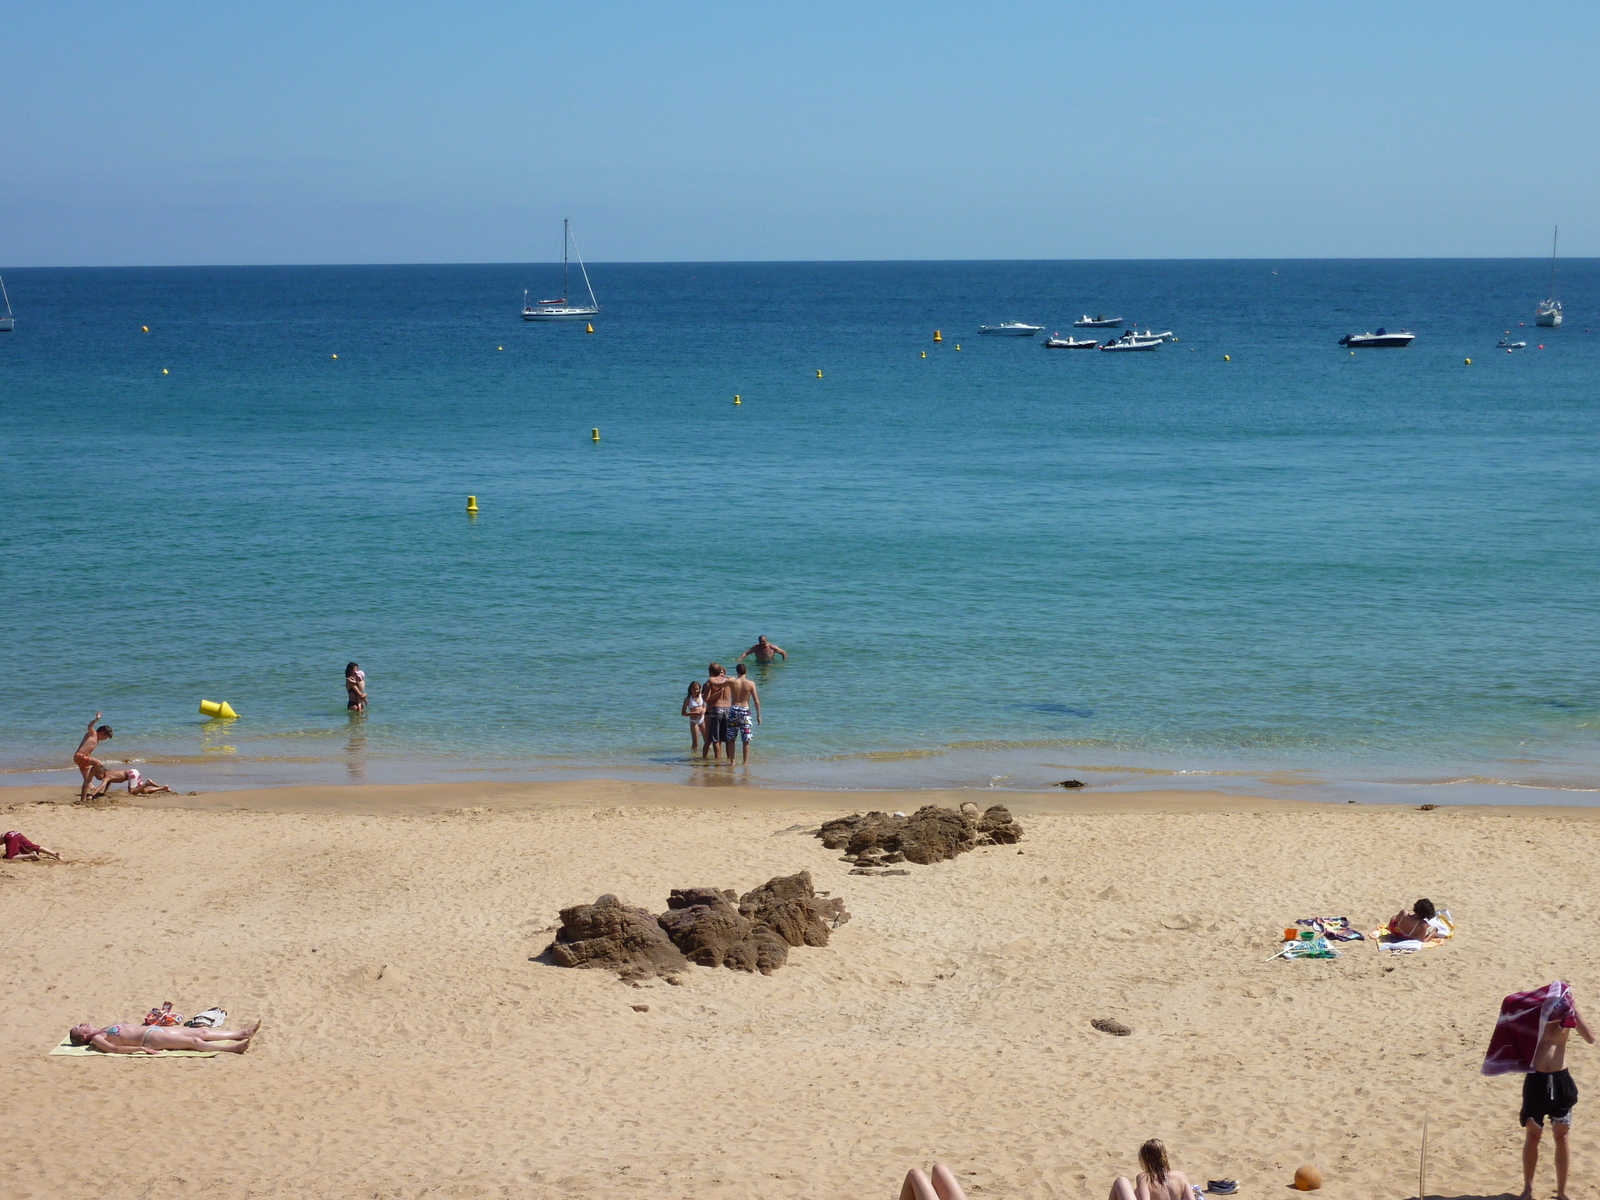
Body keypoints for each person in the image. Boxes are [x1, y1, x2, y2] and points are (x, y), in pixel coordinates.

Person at [1520, 986, 1594, 1200]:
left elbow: (1590, 1038)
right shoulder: (1537, 1017)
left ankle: (1562, 1191)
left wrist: (1575, 1009)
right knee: (1533, 1135)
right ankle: (1528, 1188)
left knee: (1561, 1137)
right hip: (1536, 1081)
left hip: (1561, 1080)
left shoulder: (1569, 1017)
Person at [69, 1018, 260, 1055]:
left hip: (155, 1030)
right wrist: (141, 1048)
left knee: (202, 1031)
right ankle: (233, 1048)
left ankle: (242, 1033)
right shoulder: (96, 1039)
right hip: (149, 1039)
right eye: (80, 1027)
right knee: (194, 1042)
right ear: (84, 1037)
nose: (83, 1023)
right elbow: (114, 1049)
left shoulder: (102, 1029)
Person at [1109, 1139, 1194, 1200]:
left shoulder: (1144, 1178)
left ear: (1144, 1159)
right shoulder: (1181, 1176)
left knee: (1121, 1181)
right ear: (1165, 1156)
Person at [73, 712, 113, 803]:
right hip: (79, 756)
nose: (105, 739)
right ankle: (90, 780)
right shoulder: (93, 733)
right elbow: (90, 726)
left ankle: (83, 800)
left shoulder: (97, 741)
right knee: (97, 762)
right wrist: (97, 719)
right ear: (102, 733)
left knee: (86, 782)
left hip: (84, 759)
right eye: (106, 737)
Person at [701, 664, 737, 761]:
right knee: (728, 738)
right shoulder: (729, 681)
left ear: (711, 672)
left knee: (715, 739)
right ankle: (730, 759)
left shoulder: (710, 683)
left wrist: (717, 693)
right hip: (728, 709)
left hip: (716, 709)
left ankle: (718, 760)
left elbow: (706, 699)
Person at [728, 663, 762, 763]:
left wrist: (726, 676)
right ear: (746, 672)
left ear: (737, 672)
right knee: (746, 739)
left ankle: (732, 761)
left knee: (731, 738)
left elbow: (720, 683)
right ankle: (745, 762)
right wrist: (758, 715)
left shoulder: (732, 682)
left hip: (734, 709)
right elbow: (756, 700)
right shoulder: (751, 684)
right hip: (745, 711)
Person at [85, 763, 175, 799]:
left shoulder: (107, 776)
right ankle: (163, 788)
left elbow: (102, 785)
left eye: (97, 776)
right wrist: (105, 793)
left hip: (131, 774)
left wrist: (92, 795)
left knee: (132, 793)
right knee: (143, 791)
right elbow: (108, 784)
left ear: (102, 772)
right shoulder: (109, 773)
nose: (97, 778)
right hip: (134, 772)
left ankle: (147, 783)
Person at [681, 681, 706, 751]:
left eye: (697, 689)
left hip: (702, 719)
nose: (696, 691)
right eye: (694, 689)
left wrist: (703, 710)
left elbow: (704, 706)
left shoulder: (701, 696)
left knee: (707, 740)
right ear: (690, 690)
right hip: (694, 721)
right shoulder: (688, 699)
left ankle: (707, 756)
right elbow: (683, 713)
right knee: (695, 742)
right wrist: (694, 713)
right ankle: (693, 756)